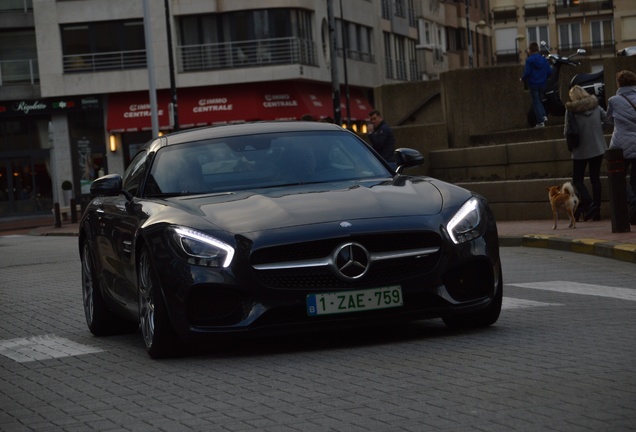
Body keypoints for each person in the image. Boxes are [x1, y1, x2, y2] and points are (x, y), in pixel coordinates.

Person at [564, 85, 608, 221]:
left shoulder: (571, 110)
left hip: (580, 150)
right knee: (595, 179)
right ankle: (597, 211)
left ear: (573, 96)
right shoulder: (595, 105)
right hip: (598, 147)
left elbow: (566, 131)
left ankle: (589, 202)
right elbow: (607, 119)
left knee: (577, 180)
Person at [606, 69, 636, 224]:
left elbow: (609, 119)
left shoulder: (613, 100)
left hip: (620, 146)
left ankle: (632, 201)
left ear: (619, 83)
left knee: (618, 179)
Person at [520, 41, 551, 128]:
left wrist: (522, 78)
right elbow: (549, 71)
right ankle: (544, 115)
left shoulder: (529, 60)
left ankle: (541, 122)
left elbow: (527, 73)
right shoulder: (544, 59)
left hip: (533, 84)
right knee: (540, 100)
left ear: (530, 50)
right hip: (542, 84)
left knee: (536, 102)